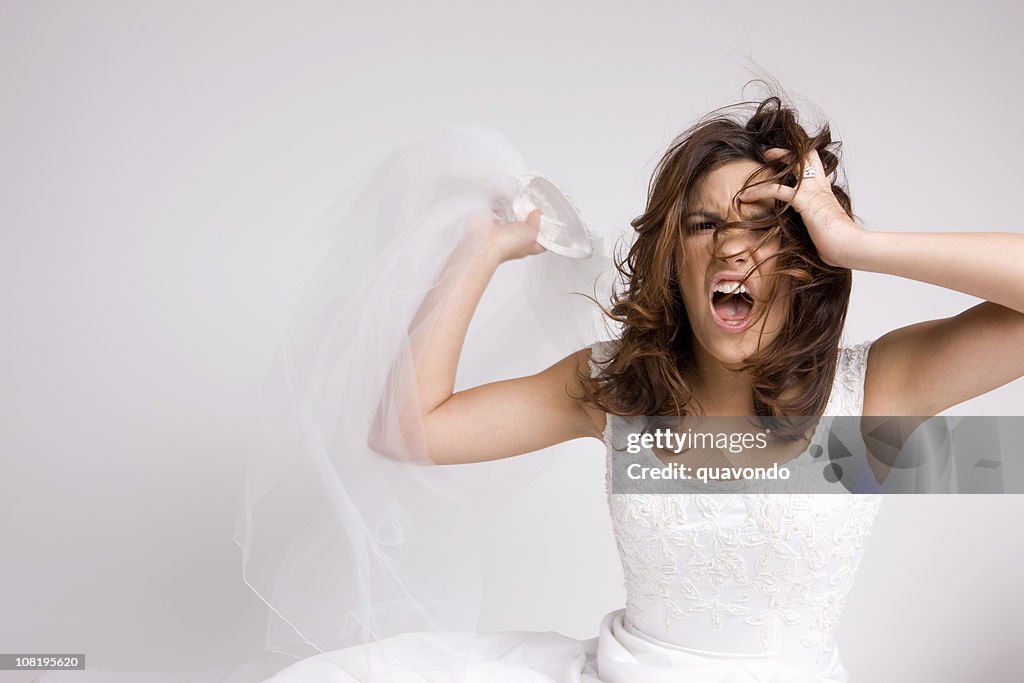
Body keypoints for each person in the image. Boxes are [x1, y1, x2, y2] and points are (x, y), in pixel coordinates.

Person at [245, 95, 1024, 682]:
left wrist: (858, 243)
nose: (732, 246)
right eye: (703, 224)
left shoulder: (877, 391)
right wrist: (482, 249)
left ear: (802, 259)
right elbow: (409, 426)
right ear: (674, 260)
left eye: (763, 223)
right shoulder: (617, 388)